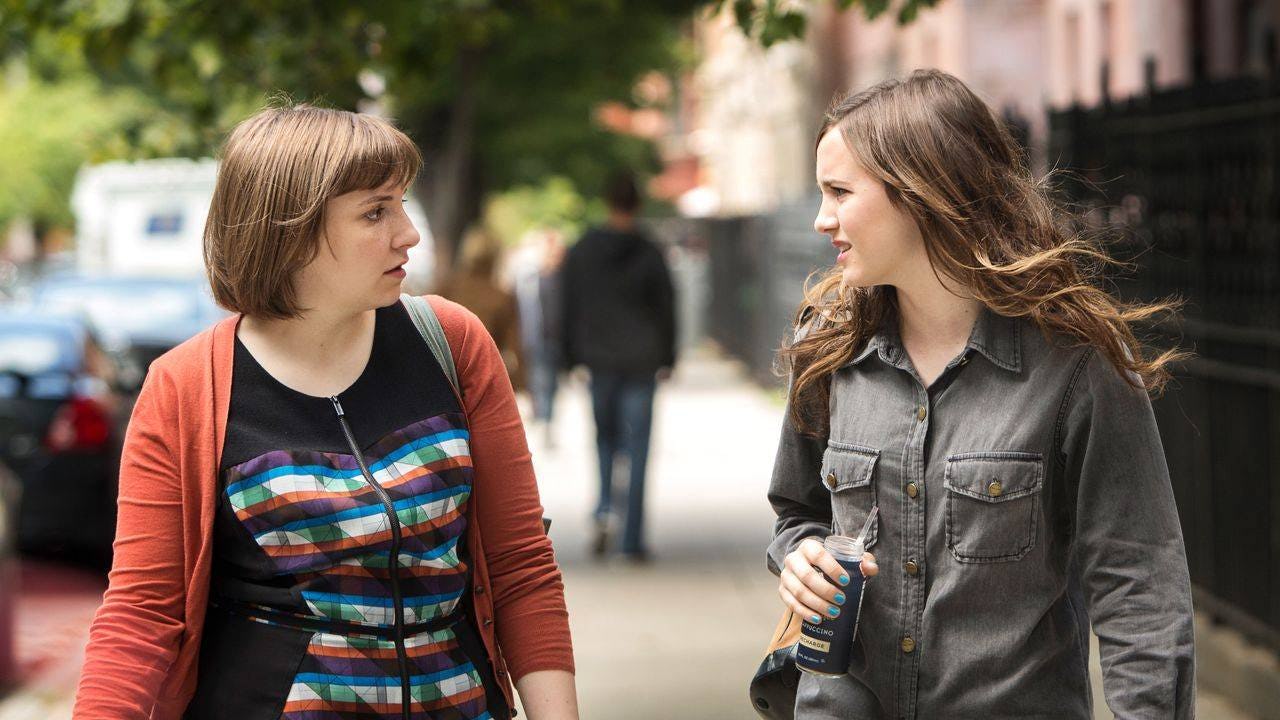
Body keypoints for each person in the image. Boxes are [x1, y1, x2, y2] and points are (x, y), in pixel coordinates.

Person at [73, 104, 579, 720]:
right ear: (291, 231)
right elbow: (141, 613)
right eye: (375, 211)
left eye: (401, 203)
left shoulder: (452, 342)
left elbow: (520, 564)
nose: (408, 233)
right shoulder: (186, 387)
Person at [768, 69, 1194, 718]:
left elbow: (1141, 595)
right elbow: (796, 513)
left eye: (839, 192)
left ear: (921, 192)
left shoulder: (1076, 365)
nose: (823, 218)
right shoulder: (827, 347)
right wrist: (799, 555)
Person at [561, 171, 675, 560]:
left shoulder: (583, 250)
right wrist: (669, 356)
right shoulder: (650, 251)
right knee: (639, 448)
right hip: (642, 359)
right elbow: (666, 306)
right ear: (637, 204)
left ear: (607, 202)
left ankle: (605, 509)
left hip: (599, 359)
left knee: (604, 441)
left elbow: (567, 305)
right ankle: (632, 538)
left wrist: (569, 356)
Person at [439, 225, 527, 392]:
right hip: (483, 383)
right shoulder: (502, 297)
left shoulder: (447, 288)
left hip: (443, 380)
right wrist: (518, 384)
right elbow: (514, 348)